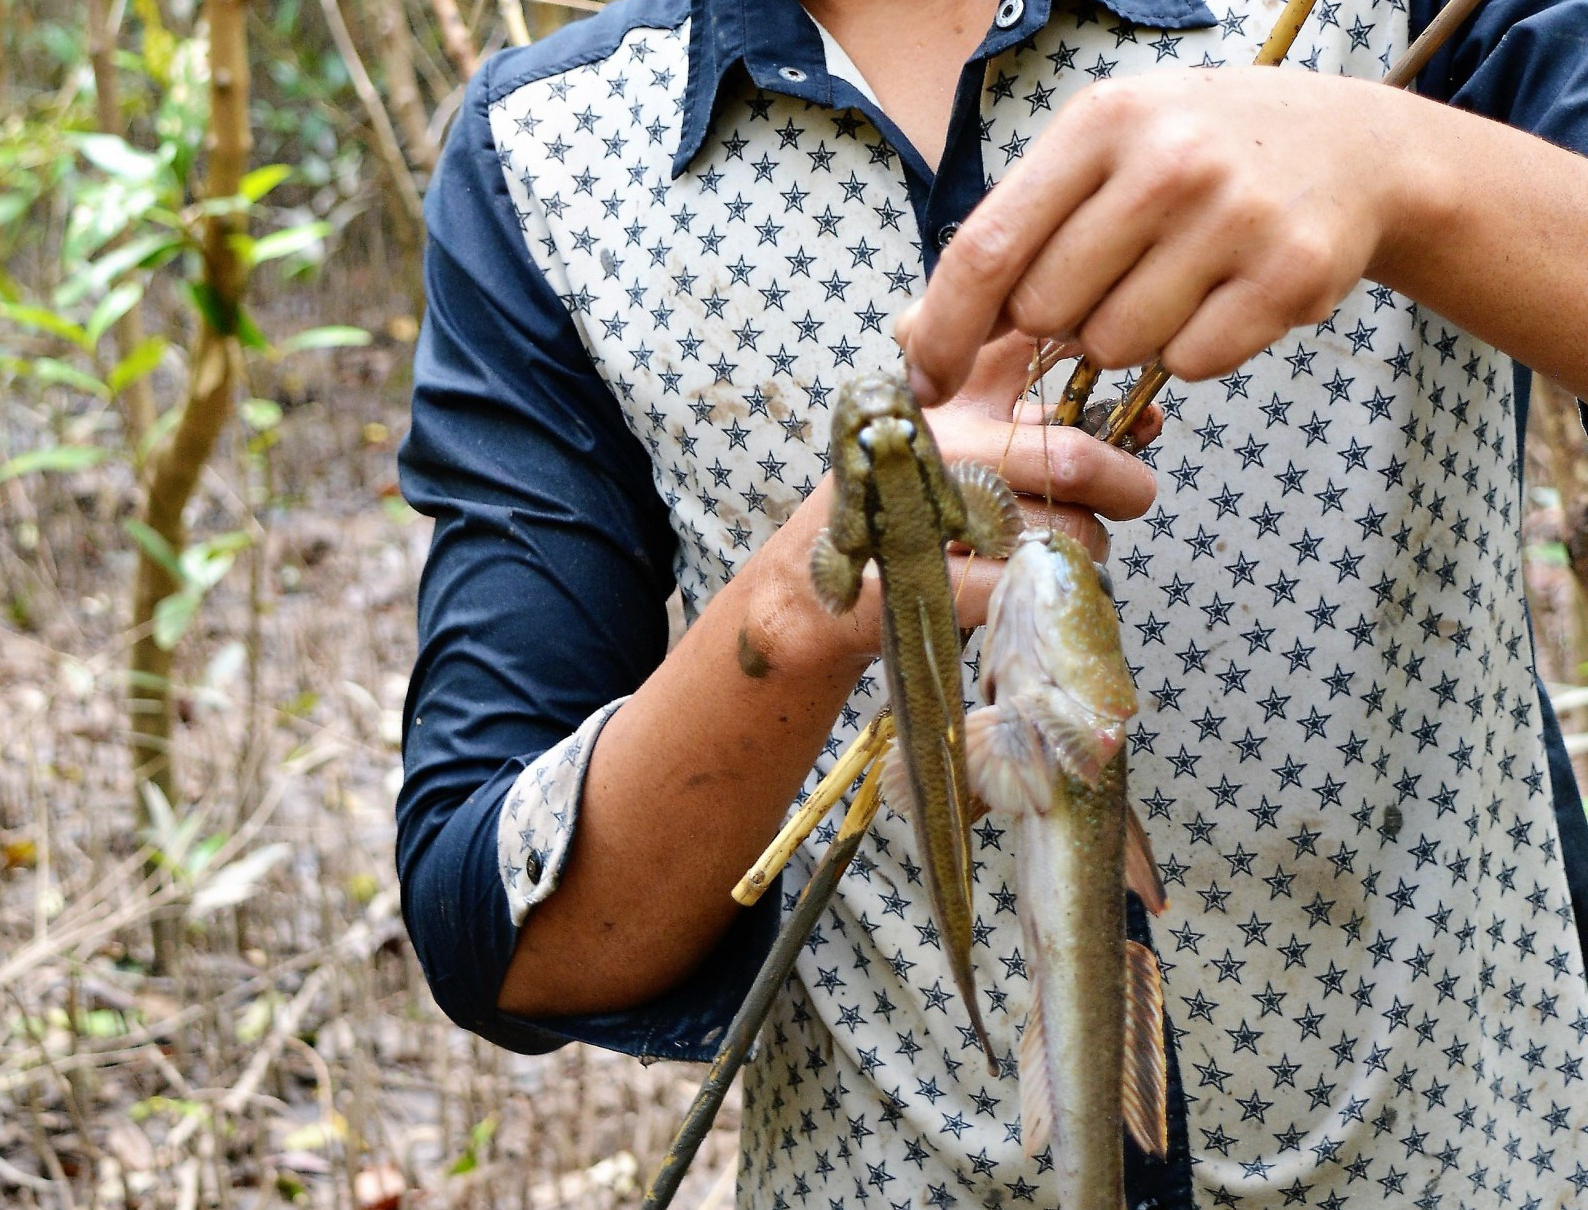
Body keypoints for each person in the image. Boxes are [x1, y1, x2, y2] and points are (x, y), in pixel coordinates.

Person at [396, 0, 1588, 1204]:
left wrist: (1404, 169)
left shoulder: (1384, 15)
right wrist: (802, 609)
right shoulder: (548, 153)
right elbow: (506, 936)